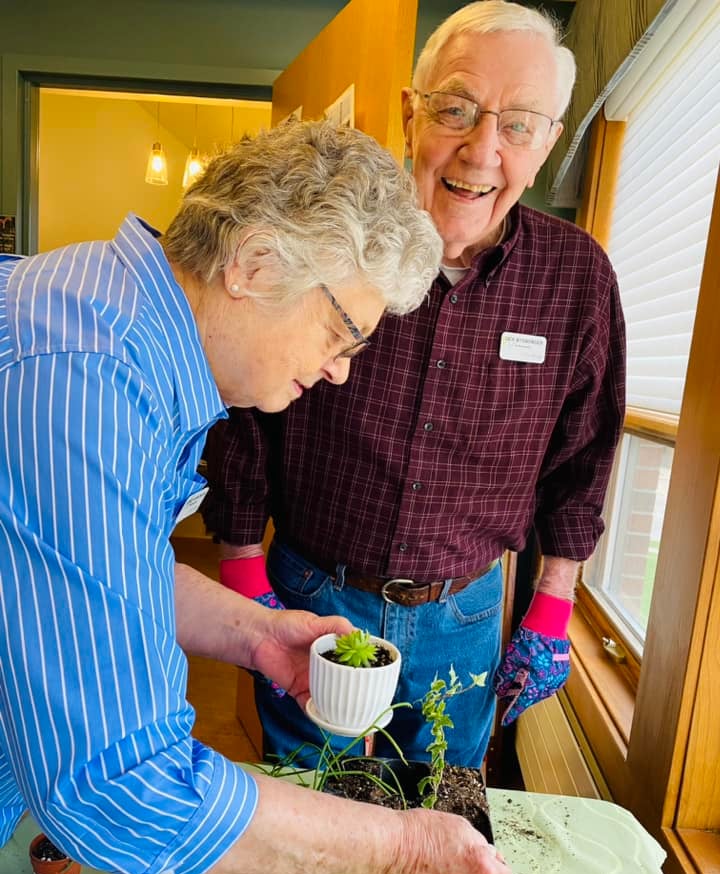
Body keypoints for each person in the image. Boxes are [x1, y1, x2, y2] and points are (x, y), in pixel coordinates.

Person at [0, 118, 513, 874]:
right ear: (256, 263)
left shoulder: (117, 327)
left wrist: (255, 634)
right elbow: (121, 789)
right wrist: (400, 849)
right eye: (343, 331)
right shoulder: (87, 377)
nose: (342, 370)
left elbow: (80, 572)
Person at [202, 2, 626, 769]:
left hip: (462, 613)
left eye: (520, 124)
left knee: (430, 819)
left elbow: (584, 456)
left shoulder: (578, 278)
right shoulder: (333, 241)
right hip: (311, 590)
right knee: (302, 798)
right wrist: (239, 572)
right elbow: (242, 410)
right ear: (410, 113)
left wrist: (554, 604)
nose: (482, 149)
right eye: (457, 109)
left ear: (550, 145)